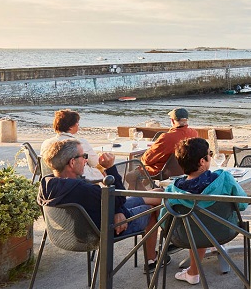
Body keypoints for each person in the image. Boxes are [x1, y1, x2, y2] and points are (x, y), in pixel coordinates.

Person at [38, 139, 164, 272]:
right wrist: (110, 168)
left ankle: (154, 258)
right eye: (84, 156)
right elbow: (119, 197)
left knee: (158, 193)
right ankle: (153, 259)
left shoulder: (47, 184)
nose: (86, 160)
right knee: (153, 208)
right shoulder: (82, 190)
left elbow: (114, 201)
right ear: (72, 162)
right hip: (105, 230)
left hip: (75, 231)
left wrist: (116, 210)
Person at [158, 138, 248, 285]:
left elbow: (164, 221)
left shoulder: (172, 190)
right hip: (224, 231)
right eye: (209, 154)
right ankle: (205, 255)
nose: (211, 156)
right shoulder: (224, 178)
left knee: (195, 225)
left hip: (188, 237)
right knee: (204, 223)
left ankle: (193, 272)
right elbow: (242, 205)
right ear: (202, 161)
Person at [40, 109, 103, 181]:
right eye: (77, 123)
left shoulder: (46, 143)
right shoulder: (79, 143)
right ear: (70, 127)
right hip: (80, 180)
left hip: (52, 180)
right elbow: (95, 163)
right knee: (106, 170)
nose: (78, 125)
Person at [141, 108, 199, 176]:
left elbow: (146, 160)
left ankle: (150, 186)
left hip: (164, 172)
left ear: (172, 121)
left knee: (130, 176)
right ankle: (152, 186)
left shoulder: (166, 137)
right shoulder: (194, 133)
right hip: (185, 170)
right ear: (186, 120)